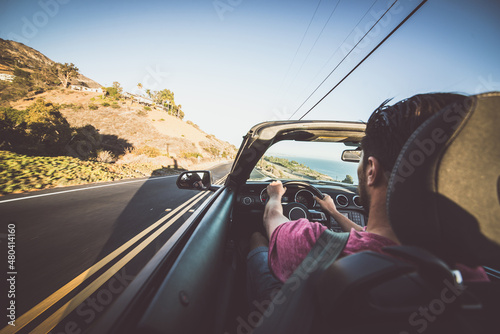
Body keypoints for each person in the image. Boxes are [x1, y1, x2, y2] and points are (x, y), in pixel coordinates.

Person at [246, 93, 488, 307]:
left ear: (372, 170)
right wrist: (334, 212)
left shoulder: (312, 245)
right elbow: (371, 236)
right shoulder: (472, 276)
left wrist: (275, 195)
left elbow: (272, 218)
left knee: (257, 239)